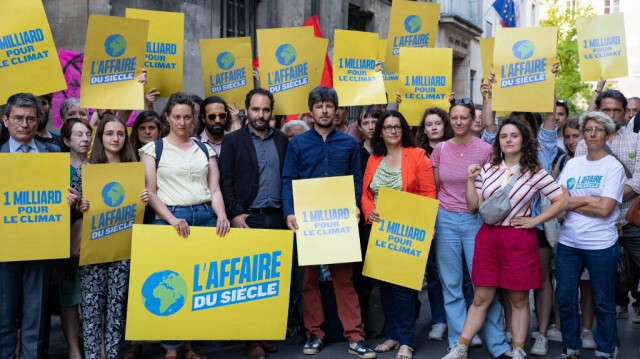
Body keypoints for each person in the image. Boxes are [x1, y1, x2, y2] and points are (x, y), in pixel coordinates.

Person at [442, 117, 566, 359]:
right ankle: (461, 347)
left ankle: (518, 350)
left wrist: (535, 221)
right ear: (498, 142)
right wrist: (469, 179)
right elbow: (473, 204)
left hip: (519, 239)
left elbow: (561, 200)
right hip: (488, 238)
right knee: (481, 297)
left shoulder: (535, 173)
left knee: (518, 299)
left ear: (524, 140)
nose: (508, 140)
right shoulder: (487, 170)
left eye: (514, 135)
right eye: (503, 136)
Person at [281, 86, 376, 358]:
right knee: (309, 280)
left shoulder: (348, 144)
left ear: (337, 110)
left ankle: (355, 337)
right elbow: (288, 180)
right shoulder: (298, 143)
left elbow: (357, 179)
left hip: (339, 222)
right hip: (308, 221)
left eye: (329, 106)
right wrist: (289, 212)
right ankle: (314, 334)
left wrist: (356, 207)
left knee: (344, 281)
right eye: (319, 106)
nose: (324, 110)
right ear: (310, 112)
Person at [140, 92, 230, 359]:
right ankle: (170, 349)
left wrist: (222, 215)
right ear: (167, 117)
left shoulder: (205, 148)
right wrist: (171, 218)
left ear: (194, 119)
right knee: (171, 283)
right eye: (177, 116)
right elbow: (151, 191)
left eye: (187, 117)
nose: (182, 122)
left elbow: (214, 189)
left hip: (205, 217)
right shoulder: (152, 149)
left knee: (199, 283)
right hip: (171, 220)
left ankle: (190, 345)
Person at [218, 88, 288, 359]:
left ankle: (265, 333)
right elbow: (225, 180)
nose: (261, 115)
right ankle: (251, 340)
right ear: (247, 110)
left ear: (272, 111)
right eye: (256, 109)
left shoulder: (282, 140)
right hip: (249, 217)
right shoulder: (233, 140)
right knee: (249, 282)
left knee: (273, 280)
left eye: (266, 110)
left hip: (278, 216)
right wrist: (235, 213)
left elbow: (288, 177)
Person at [361, 110, 437, 359]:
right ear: (380, 132)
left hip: (408, 231)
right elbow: (366, 194)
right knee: (385, 287)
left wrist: (427, 225)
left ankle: (406, 341)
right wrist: (369, 211)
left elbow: (428, 194)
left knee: (404, 289)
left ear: (403, 129)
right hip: (380, 232)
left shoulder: (417, 156)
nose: (392, 131)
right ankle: (393, 336)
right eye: (387, 127)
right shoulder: (374, 158)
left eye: (397, 126)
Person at [71, 116, 148, 359]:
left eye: (120, 134)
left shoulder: (136, 171)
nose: (115, 138)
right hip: (94, 250)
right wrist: (79, 205)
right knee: (92, 310)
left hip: (122, 249)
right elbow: (72, 208)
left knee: (116, 310)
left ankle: (112, 355)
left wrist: (145, 198)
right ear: (100, 137)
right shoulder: (87, 171)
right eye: (109, 133)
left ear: (126, 138)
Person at [429, 99, 498, 356]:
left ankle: (493, 339)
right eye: (454, 118)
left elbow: (491, 187)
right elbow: (435, 189)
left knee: (482, 281)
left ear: (472, 120)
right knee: (451, 283)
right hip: (445, 218)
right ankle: (458, 341)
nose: (458, 122)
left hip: (475, 220)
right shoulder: (441, 149)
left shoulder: (485, 149)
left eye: (463, 117)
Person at [555, 112, 625, 359]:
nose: (593, 134)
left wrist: (571, 202)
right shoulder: (573, 163)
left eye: (599, 129)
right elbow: (558, 200)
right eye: (588, 129)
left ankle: (605, 351)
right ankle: (570, 349)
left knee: (604, 302)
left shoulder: (613, 167)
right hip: (568, 243)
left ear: (608, 134)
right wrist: (588, 199)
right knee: (565, 299)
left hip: (601, 244)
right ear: (583, 134)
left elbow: (605, 209)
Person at [0, 93, 61, 359]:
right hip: (5, 248)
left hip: (41, 245)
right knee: (4, 317)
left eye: (30, 118)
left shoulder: (55, 153)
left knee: (35, 318)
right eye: (18, 118)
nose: (24, 124)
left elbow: (64, 195)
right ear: (5, 120)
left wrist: (69, 198)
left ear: (39, 121)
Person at [576, 89, 640, 321]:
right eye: (606, 110)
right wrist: (604, 208)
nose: (612, 115)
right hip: (597, 219)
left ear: (625, 114)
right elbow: (581, 183)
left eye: (617, 110)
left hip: (631, 219)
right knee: (596, 283)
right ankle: (595, 337)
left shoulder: (636, 140)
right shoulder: (585, 143)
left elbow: (639, 179)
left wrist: (610, 202)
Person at [59, 118, 93, 359]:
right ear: (66, 140)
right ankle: (73, 348)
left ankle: (93, 345)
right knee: (70, 296)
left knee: (93, 296)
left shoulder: (99, 164)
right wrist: (68, 205)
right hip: (67, 242)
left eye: (88, 134)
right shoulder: (58, 169)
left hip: (96, 242)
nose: (85, 139)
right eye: (79, 135)